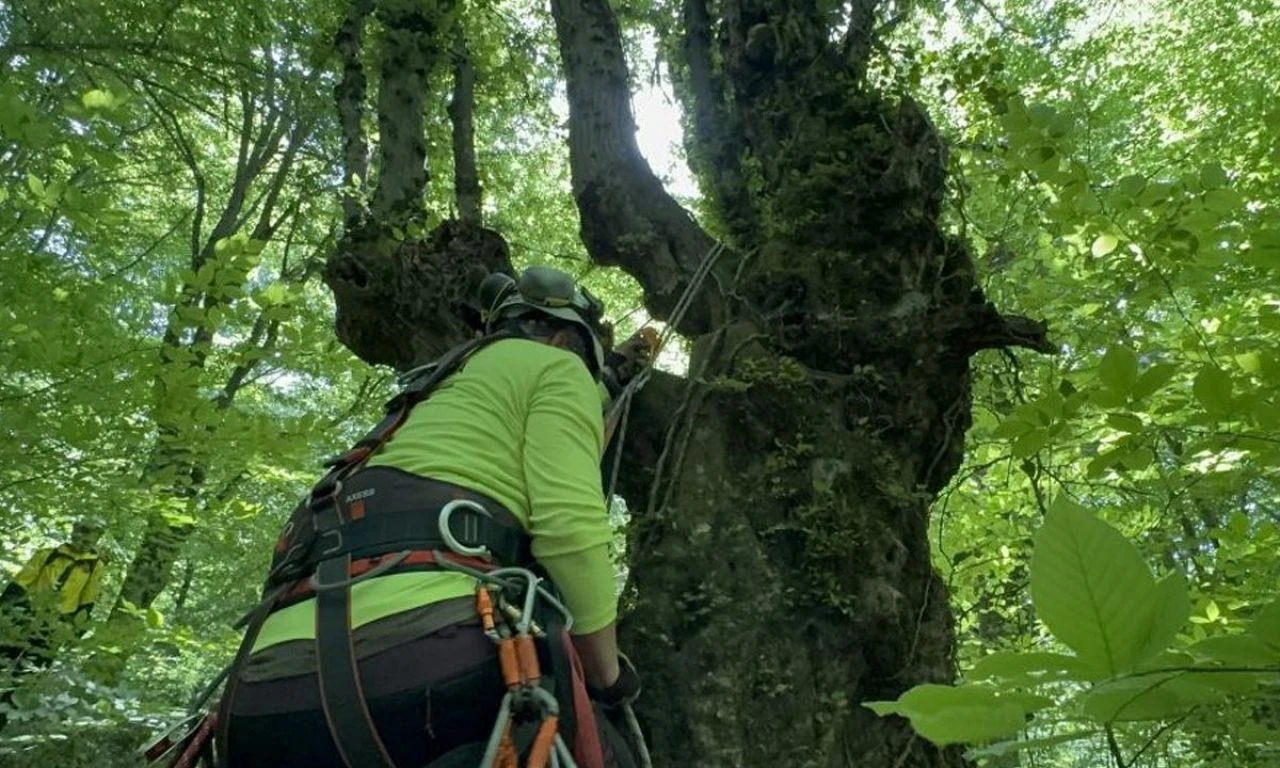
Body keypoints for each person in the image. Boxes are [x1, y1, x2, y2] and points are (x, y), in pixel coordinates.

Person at [219, 266, 647, 767]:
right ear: (565, 341)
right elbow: (569, 524)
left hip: (257, 697)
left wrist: (615, 375)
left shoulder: (424, 398)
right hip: (427, 667)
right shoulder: (558, 368)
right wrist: (608, 674)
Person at [0, 520, 106, 730]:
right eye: (82, 533)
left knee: (28, 674)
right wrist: (6, 609)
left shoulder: (95, 566)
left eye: (91, 536)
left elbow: (88, 599)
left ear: (96, 539)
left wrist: (76, 630)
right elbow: (22, 581)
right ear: (74, 532)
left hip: (56, 626)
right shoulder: (48, 554)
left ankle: (3, 716)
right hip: (26, 617)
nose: (85, 539)